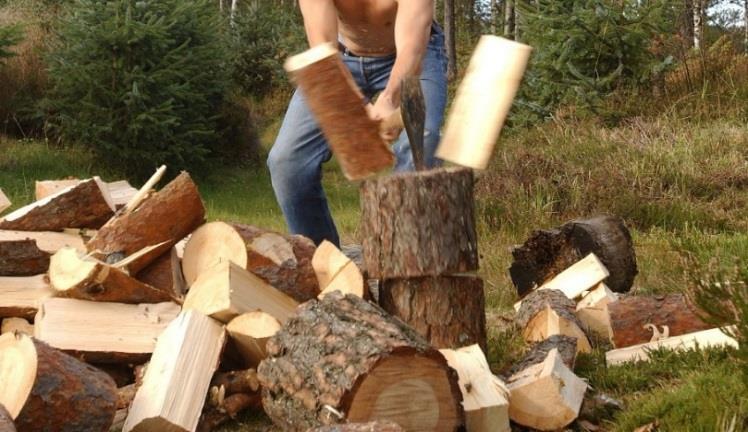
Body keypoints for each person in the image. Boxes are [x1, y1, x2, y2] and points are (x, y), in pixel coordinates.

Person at [268, 0, 447, 247]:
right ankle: (322, 260)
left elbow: (412, 47)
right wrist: (357, 105)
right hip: (339, 60)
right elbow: (322, 45)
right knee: (287, 161)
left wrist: (389, 97)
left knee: (422, 142)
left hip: (415, 54)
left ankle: (407, 257)